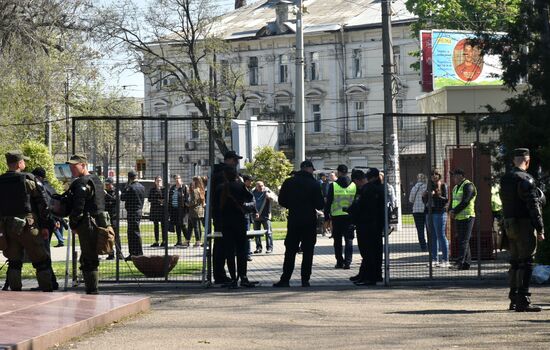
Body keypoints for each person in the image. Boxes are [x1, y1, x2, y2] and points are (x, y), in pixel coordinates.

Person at [0, 151, 54, 292]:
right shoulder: (28, 179)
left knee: (14, 261)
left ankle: (15, 292)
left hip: (8, 227)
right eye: (23, 161)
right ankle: (47, 290)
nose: (25, 163)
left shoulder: (1, 180)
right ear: (19, 163)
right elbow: (43, 203)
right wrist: (45, 225)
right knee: (41, 260)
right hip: (29, 226)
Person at [500, 148, 545, 312]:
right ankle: (523, 300)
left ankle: (513, 299)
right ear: (528, 161)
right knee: (526, 262)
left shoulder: (505, 179)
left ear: (513, 161)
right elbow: (534, 206)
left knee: (515, 261)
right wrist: (540, 228)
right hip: (525, 224)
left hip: (509, 223)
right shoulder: (527, 179)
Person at [273, 160, 324, 287]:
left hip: (294, 219)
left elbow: (282, 201)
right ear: (308, 169)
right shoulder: (314, 184)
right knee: (308, 251)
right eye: (312, 169)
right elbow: (320, 204)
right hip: (309, 220)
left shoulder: (289, 182)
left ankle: (285, 279)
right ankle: (305, 279)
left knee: (290, 250)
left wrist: (292, 205)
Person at [66, 154, 109, 294]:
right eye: (70, 166)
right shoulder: (96, 180)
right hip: (99, 223)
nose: (71, 168)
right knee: (88, 257)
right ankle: (92, 289)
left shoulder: (81, 183)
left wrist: (73, 224)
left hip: (88, 224)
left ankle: (92, 290)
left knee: (89, 259)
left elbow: (78, 207)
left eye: (74, 166)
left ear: (83, 165)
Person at [213, 166, 256, 288]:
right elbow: (250, 200)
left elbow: (216, 206)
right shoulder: (240, 186)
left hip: (226, 223)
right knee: (242, 251)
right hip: (240, 221)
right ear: (236, 176)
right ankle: (243, 277)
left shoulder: (220, 188)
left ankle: (233, 279)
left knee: (229, 252)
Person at [347, 168, 385, 285]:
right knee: (376, 251)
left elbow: (360, 207)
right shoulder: (380, 188)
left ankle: (369, 277)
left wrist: (351, 212)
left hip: (366, 225)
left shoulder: (367, 189)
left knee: (367, 252)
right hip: (376, 225)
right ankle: (373, 275)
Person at [211, 150, 242, 284]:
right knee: (221, 245)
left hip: (223, 214)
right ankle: (219, 274)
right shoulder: (222, 174)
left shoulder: (222, 173)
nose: (236, 163)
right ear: (228, 160)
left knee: (223, 245)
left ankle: (221, 274)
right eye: (235, 160)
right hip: (222, 214)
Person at [30, 167, 61, 290]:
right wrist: (57, 220)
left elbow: (44, 207)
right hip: (51, 222)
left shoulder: (41, 188)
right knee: (45, 253)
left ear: (36, 177)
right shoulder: (50, 187)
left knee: (43, 254)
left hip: (45, 224)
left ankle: (49, 282)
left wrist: (44, 225)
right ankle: (51, 281)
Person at [324, 164, 356, 269]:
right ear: (347, 172)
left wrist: (326, 217)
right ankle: (348, 262)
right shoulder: (353, 185)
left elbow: (328, 202)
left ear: (338, 172)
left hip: (336, 217)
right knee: (349, 240)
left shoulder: (333, 185)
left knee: (337, 241)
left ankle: (339, 262)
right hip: (350, 216)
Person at [449, 168, 477, 270]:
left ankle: (459, 262)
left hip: (468, 216)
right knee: (463, 240)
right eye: (453, 176)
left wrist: (454, 211)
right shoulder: (456, 187)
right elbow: (453, 201)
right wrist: (450, 210)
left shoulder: (468, 186)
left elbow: (466, 201)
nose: (453, 178)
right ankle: (466, 263)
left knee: (463, 241)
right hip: (458, 217)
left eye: (455, 176)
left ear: (461, 176)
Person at [423, 169, 449, 267]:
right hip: (429, 213)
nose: (434, 176)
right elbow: (425, 201)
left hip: (439, 213)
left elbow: (446, 200)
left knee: (441, 236)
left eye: (436, 174)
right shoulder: (429, 186)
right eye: (432, 174)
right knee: (432, 237)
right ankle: (434, 260)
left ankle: (445, 260)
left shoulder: (443, 185)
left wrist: (436, 195)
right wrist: (424, 196)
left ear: (439, 175)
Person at [121, 171, 145, 259]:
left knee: (131, 233)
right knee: (136, 232)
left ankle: (134, 253)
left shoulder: (130, 187)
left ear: (129, 178)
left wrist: (126, 186)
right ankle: (138, 252)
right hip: (139, 210)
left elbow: (122, 197)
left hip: (132, 211)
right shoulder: (142, 187)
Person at [252, 181, 278, 254]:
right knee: (256, 233)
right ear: (256, 186)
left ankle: (269, 248)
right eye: (259, 186)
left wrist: (270, 196)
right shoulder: (253, 192)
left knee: (268, 233)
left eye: (262, 185)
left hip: (266, 215)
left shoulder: (267, 191)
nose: (261, 187)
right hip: (255, 216)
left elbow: (276, 199)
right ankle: (258, 248)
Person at [168, 174, 189, 247]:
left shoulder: (184, 187)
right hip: (174, 209)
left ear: (181, 179)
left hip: (182, 210)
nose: (177, 180)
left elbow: (187, 198)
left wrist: (185, 207)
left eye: (178, 178)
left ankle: (187, 240)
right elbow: (170, 198)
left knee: (183, 224)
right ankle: (179, 241)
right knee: (177, 225)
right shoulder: (172, 188)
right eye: (175, 179)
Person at [409, 173, 427, 251]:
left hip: (416, 211)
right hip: (426, 210)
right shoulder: (427, 187)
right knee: (429, 229)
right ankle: (431, 245)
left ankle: (423, 247)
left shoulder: (414, 188)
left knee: (420, 230)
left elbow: (411, 199)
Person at [104, 177, 122, 260]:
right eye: (106, 184)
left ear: (112, 184)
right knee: (108, 236)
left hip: (115, 217)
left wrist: (107, 196)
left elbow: (115, 201)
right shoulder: (104, 192)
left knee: (116, 236)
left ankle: (119, 254)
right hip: (107, 217)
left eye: (108, 184)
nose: (106, 186)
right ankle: (111, 253)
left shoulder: (116, 191)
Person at [148, 176, 165, 247]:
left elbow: (166, 198)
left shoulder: (164, 189)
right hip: (155, 210)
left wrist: (163, 201)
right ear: (155, 181)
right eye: (158, 180)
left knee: (163, 226)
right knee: (156, 226)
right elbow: (149, 199)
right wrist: (158, 201)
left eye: (160, 180)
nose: (159, 182)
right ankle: (156, 241)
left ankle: (164, 241)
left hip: (162, 210)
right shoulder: (152, 190)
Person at [188, 176, 205, 247]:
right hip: (200, 210)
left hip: (194, 211)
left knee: (196, 227)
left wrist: (187, 204)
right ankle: (197, 240)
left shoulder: (195, 191)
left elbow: (193, 202)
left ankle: (198, 241)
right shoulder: (201, 189)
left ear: (195, 181)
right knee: (198, 226)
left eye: (193, 181)